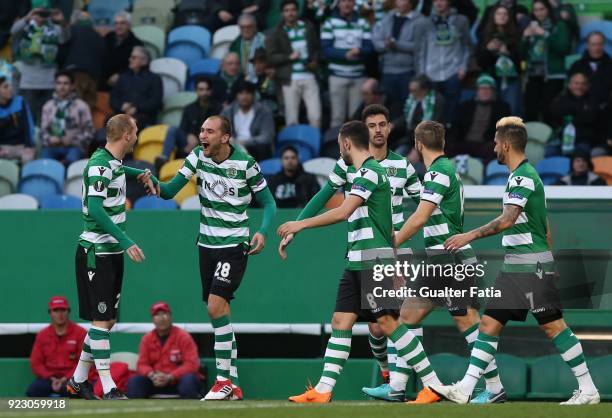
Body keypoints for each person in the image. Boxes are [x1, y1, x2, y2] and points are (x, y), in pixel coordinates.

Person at [432, 116, 601, 406]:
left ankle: (587, 389)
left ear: (507, 144)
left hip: (527, 268)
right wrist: (551, 263)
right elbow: (544, 226)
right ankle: (466, 389)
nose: (494, 147)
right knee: (498, 326)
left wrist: (468, 236)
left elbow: (508, 219)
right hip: (521, 267)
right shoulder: (521, 176)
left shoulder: (522, 177)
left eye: (496, 143)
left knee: (547, 327)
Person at [278, 120, 438, 403]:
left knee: (388, 324)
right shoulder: (364, 171)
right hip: (356, 259)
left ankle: (431, 384)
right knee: (340, 320)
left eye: (340, 145)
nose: (340, 150)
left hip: (374, 261)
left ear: (347, 143)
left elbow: (343, 211)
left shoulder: (371, 173)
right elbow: (371, 218)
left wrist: (299, 226)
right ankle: (323, 390)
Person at [364, 120, 507, 404]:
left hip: (447, 259)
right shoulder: (445, 171)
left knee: (446, 320)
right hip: (446, 259)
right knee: (415, 318)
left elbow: (419, 218)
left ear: (418, 145)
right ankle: (399, 387)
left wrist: (391, 243)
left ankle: (491, 388)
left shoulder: (438, 174)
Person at [151, 115, 277, 400]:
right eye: (201, 130)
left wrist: (264, 232)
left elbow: (269, 202)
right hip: (206, 246)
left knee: (214, 307)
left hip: (234, 245)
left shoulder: (246, 165)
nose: (202, 135)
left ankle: (222, 381)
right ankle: (233, 383)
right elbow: (170, 191)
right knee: (220, 314)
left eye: (209, 131)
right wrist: (152, 181)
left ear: (225, 137)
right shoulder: (197, 156)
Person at [66, 114, 157, 400]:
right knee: (101, 321)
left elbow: (115, 170)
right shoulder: (98, 165)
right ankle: (109, 388)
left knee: (107, 322)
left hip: (111, 252)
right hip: (97, 253)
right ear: (127, 134)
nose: (138, 135)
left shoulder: (109, 162)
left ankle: (78, 380)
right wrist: (126, 240)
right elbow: (94, 209)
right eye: (137, 130)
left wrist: (140, 174)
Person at [127, 302, 202, 399]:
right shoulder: (147, 339)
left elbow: (192, 364)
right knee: (134, 382)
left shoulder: (183, 336)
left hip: (177, 381)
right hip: (155, 381)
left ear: (170, 316)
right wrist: (152, 375)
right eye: (157, 315)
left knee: (189, 381)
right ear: (153, 319)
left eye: (164, 314)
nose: (161, 318)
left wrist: (170, 376)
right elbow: (142, 364)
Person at [266, 0, 321, 128]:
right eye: (287, 10)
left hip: (309, 76)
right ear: (282, 14)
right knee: (291, 119)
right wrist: (288, 57)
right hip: (290, 78)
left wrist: (315, 61)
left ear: (297, 11)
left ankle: (315, 146)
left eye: (292, 10)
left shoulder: (308, 27)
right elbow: (271, 57)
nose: (290, 13)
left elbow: (317, 48)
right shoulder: (277, 32)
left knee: (316, 117)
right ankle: (292, 147)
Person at [10, 7, 70, 124]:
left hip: (48, 82)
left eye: (44, 14)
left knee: (48, 120)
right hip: (28, 82)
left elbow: (65, 38)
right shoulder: (26, 27)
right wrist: (27, 18)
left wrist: (62, 21)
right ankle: (30, 142)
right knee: (28, 119)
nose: (41, 16)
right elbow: (13, 30)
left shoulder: (55, 28)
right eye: (38, 13)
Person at [418, 0, 472, 125]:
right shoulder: (425, 22)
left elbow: (468, 46)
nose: (438, 3)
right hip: (430, 73)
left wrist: (463, 67)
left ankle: (451, 136)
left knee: (451, 113)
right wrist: (421, 72)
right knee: (432, 111)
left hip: (453, 71)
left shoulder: (461, 21)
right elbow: (420, 49)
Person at [321, 0, 374, 127]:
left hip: (358, 77)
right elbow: (325, 49)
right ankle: (335, 146)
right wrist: (345, 54)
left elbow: (370, 47)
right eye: (343, 1)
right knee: (337, 118)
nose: (347, 4)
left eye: (350, 1)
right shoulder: (329, 22)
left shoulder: (363, 22)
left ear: (354, 3)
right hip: (337, 76)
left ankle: (354, 147)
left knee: (356, 119)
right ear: (338, 4)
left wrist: (360, 50)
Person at [26, 296, 87, 398]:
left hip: (72, 379)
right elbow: (36, 363)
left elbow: (84, 362)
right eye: (56, 310)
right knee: (33, 391)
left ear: (68, 312)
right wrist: (51, 378)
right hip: (48, 379)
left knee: (76, 392)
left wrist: (65, 378)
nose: (60, 314)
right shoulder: (42, 335)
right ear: (50, 313)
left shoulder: (80, 333)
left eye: (63, 310)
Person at [521, 0, 571, 122]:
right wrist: (524, 38)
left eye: (542, 9)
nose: (539, 12)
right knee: (530, 108)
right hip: (533, 74)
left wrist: (545, 34)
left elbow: (564, 48)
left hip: (553, 75)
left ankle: (552, 138)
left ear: (548, 9)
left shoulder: (559, 25)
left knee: (550, 109)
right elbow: (521, 54)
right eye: (536, 9)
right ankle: (531, 138)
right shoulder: (530, 26)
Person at [157, 77, 222, 168]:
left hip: (207, 145)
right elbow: (182, 128)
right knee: (173, 130)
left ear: (210, 91)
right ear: (196, 91)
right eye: (201, 89)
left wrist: (198, 140)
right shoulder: (189, 108)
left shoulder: (218, 109)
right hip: (189, 143)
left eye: (207, 89)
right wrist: (188, 135)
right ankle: (164, 159)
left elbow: (217, 131)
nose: (204, 93)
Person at [372, 0, 427, 108]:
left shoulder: (420, 21)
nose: (400, 3)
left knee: (407, 106)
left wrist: (397, 45)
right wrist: (386, 45)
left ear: (411, 3)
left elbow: (419, 46)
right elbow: (377, 43)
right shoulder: (387, 18)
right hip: (387, 71)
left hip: (407, 72)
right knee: (388, 107)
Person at [449, 74, 511, 161]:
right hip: (465, 142)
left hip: (486, 144)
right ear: (477, 91)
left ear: (493, 91)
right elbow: (456, 125)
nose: (485, 92)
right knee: (449, 147)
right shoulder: (466, 106)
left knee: (493, 149)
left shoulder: (502, 108)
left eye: (488, 89)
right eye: (482, 89)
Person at [476, 3, 522, 115]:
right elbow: (480, 63)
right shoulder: (484, 36)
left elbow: (521, 62)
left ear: (509, 17)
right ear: (493, 16)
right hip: (492, 79)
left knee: (512, 111)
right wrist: (488, 50)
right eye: (499, 13)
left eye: (505, 14)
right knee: (492, 112)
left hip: (511, 79)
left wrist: (507, 54)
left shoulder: (516, 36)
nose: (502, 16)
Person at [40, 70, 94, 166]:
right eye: (59, 83)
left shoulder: (81, 106)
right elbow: (42, 133)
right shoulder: (48, 106)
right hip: (52, 147)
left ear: (72, 86)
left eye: (66, 83)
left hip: (74, 147)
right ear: (55, 85)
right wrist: (49, 139)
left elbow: (89, 133)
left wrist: (73, 140)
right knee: (45, 162)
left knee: (71, 161)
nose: (62, 87)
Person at [549, 72, 604, 155]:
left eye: (583, 84)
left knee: (580, 152)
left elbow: (591, 118)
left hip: (584, 140)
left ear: (588, 86)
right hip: (562, 139)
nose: (579, 87)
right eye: (576, 83)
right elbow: (554, 113)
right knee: (549, 151)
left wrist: (571, 113)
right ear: (570, 85)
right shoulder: (561, 99)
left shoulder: (594, 100)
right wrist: (580, 112)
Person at [221, 80, 275, 161]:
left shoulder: (263, 111)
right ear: (236, 95)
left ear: (253, 95)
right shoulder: (228, 111)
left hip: (255, 146)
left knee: (263, 148)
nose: (244, 97)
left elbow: (267, 137)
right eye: (241, 93)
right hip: (234, 145)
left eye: (248, 93)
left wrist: (246, 142)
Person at [61, 10, 105, 109]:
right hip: (93, 77)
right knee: (88, 109)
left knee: (71, 108)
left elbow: (61, 53)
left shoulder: (70, 32)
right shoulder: (98, 36)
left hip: (73, 74)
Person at [110, 46, 163, 128]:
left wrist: (136, 108)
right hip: (121, 114)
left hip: (143, 117)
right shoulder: (123, 77)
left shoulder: (154, 79)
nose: (130, 59)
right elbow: (113, 97)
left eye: (133, 57)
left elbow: (155, 101)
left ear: (144, 61)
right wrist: (121, 106)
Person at [395, 73, 445, 154]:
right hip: (410, 138)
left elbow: (433, 126)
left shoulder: (436, 101)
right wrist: (393, 125)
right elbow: (406, 117)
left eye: (414, 90)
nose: (411, 93)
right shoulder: (412, 99)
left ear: (424, 90)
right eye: (410, 90)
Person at [568, 32, 612, 106]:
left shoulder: (610, 65)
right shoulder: (577, 66)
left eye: (599, 44)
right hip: (582, 107)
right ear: (588, 45)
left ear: (603, 45)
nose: (597, 48)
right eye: (593, 44)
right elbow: (571, 90)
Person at [102, 11, 143, 91]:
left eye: (122, 23)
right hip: (104, 78)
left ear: (129, 25)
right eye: (116, 23)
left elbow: (137, 67)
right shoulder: (108, 37)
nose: (118, 26)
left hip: (123, 81)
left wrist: (120, 75)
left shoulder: (137, 44)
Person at [0, 76, 35, 164]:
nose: (10, 89)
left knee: (28, 158)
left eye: (10, 86)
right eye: (6, 87)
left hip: (21, 145)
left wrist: (29, 146)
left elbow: (29, 126)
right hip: (3, 147)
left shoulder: (20, 101)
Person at [230, 13, 266, 83]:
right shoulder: (235, 44)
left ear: (255, 26)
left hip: (262, 78)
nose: (246, 30)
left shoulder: (265, 41)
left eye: (249, 26)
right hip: (241, 79)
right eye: (243, 27)